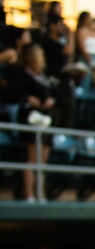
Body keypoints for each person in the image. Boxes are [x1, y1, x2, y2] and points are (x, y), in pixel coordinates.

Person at [11, 43, 56, 202]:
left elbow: (53, 95)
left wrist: (51, 101)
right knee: (32, 158)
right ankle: (29, 194)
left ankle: (40, 193)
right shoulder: (22, 75)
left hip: (45, 119)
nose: (42, 58)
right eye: (39, 55)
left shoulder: (44, 77)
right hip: (30, 118)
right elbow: (12, 94)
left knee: (42, 161)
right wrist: (29, 99)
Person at [74, 11, 95, 90]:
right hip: (86, 60)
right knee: (86, 80)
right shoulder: (81, 31)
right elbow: (82, 48)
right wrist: (91, 62)